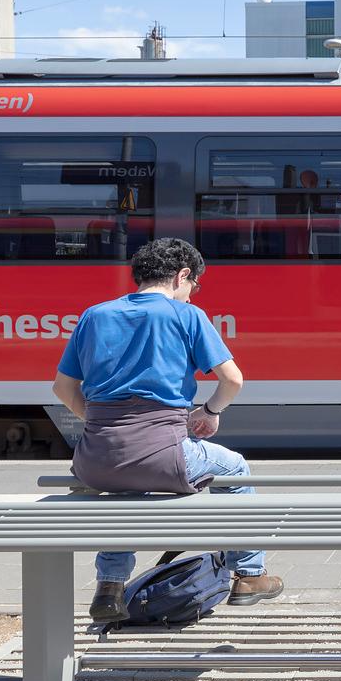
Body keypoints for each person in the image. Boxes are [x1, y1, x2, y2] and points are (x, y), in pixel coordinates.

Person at [52, 237, 284, 624]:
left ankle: (109, 586)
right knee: (237, 469)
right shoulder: (187, 316)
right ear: (182, 275)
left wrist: (96, 421)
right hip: (165, 453)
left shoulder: (95, 314)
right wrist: (210, 412)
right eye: (194, 286)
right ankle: (249, 574)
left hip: (96, 458)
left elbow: (62, 388)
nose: (192, 295)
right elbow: (233, 381)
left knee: (125, 489)